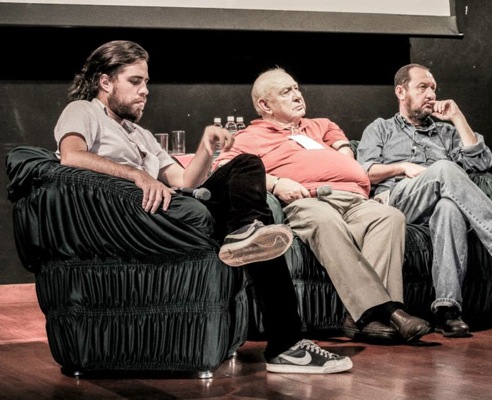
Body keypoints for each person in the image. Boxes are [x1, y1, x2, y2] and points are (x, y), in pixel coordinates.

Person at [53, 40, 352, 374]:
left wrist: (206, 148)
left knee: (249, 176)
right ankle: (285, 343)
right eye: (135, 81)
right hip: (136, 217)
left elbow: (184, 180)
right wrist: (137, 175)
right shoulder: (83, 111)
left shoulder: (140, 134)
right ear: (105, 82)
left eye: (146, 82)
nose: (145, 90)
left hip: (170, 206)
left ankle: (249, 241)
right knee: (255, 216)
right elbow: (72, 156)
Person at [214, 67, 432, 344]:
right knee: (325, 221)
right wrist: (277, 183)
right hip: (309, 200)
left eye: (296, 88)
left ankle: (360, 318)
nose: (297, 95)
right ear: (265, 105)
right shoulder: (249, 137)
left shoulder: (320, 125)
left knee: (389, 216)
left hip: (354, 198)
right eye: (286, 92)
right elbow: (224, 169)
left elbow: (341, 145)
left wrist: (343, 156)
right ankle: (387, 311)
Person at [357, 63, 492, 338]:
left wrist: (457, 117)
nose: (431, 94)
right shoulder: (381, 128)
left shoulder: (446, 133)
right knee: (444, 168)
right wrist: (402, 167)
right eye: (422, 87)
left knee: (449, 208)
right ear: (401, 92)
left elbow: (481, 162)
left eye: (433, 88)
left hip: (436, 204)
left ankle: (447, 309)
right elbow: (365, 172)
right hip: (397, 201)